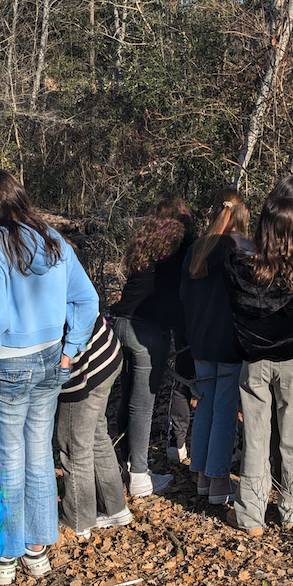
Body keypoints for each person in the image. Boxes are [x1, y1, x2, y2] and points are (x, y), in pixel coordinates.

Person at [0, 169, 98, 585]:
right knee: (38, 451)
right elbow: (87, 299)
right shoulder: (53, 240)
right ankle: (36, 549)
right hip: (48, 360)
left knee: (9, 456)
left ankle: (8, 553)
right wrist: (70, 350)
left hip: (9, 364)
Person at [224, 196, 293, 535]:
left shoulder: (241, 269)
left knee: (255, 438)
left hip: (253, 362)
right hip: (292, 360)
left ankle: (250, 515)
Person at [111, 197, 194, 498]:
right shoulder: (183, 246)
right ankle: (139, 476)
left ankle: (122, 463)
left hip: (121, 322)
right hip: (147, 330)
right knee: (143, 405)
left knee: (128, 397)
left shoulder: (143, 244)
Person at [180, 188, 250, 506]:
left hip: (201, 341)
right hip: (229, 341)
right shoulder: (240, 251)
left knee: (206, 406)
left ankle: (202, 476)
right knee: (224, 410)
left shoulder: (197, 250)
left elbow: (184, 298)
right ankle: (219, 479)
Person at [56, 314, 131, 539]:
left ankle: (79, 520)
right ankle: (116, 507)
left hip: (83, 370)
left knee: (74, 445)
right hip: (105, 356)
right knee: (96, 435)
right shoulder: (68, 278)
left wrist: (67, 358)